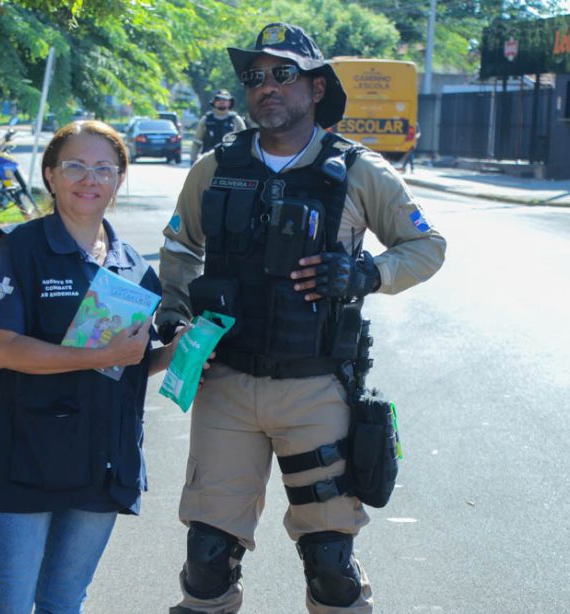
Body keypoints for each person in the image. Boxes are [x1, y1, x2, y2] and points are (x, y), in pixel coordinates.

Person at [156, 23, 447, 613]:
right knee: (207, 558)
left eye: (283, 74)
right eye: (255, 76)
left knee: (330, 563)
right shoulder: (215, 167)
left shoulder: (359, 171)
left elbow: (427, 247)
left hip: (316, 389)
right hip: (225, 386)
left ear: (316, 88)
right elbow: (180, 248)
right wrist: (175, 317)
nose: (267, 86)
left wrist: (366, 274)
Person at [0, 120, 184, 614]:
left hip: (103, 461)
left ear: (119, 179)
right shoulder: (17, 248)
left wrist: (173, 355)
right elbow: (6, 351)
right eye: (76, 166)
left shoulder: (134, 267)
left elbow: (127, 364)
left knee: (64, 602)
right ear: (50, 175)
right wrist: (102, 356)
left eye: (104, 168)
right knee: (11, 603)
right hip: (22, 459)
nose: (91, 179)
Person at [190, 89, 247, 162]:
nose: (222, 101)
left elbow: (245, 142)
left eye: (225, 99)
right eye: (218, 99)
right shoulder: (206, 120)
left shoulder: (236, 120)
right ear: (214, 101)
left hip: (230, 161)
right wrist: (193, 160)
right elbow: (197, 142)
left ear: (230, 102)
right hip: (208, 160)